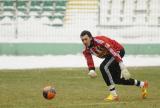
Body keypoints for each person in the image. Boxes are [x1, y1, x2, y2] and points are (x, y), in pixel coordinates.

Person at [80, 30, 148, 101]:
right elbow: (89, 59)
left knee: (103, 67)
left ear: (90, 38)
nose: (84, 42)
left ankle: (113, 94)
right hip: (110, 56)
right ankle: (142, 84)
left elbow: (112, 50)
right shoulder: (86, 49)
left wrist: (122, 65)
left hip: (117, 51)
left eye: (86, 39)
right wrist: (91, 69)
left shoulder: (101, 41)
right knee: (117, 79)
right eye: (82, 40)